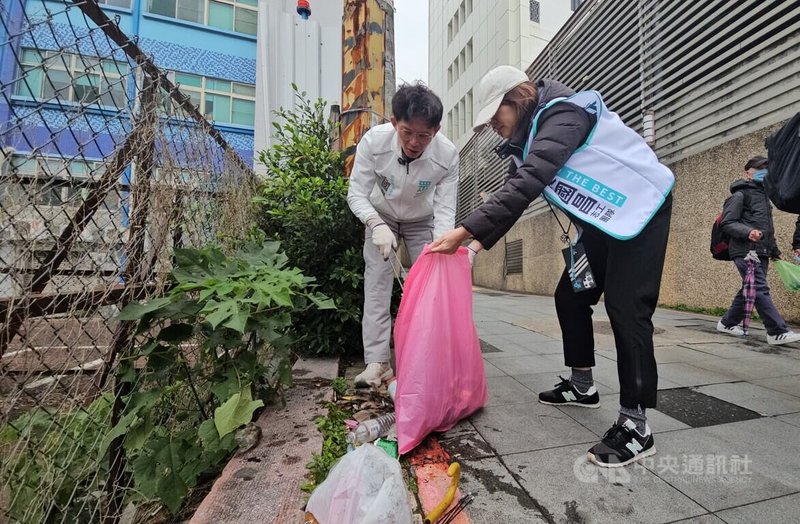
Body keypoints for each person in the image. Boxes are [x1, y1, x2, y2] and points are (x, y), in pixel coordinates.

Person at [429, 65, 674, 467]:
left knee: (628, 310)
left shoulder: (564, 115)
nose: (494, 127)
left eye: (496, 116)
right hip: (605, 219)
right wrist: (470, 249)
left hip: (640, 208)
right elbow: (515, 194)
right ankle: (583, 386)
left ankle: (636, 425)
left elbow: (529, 181)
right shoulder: (529, 142)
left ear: (518, 100)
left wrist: (462, 230)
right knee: (570, 295)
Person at [347, 83, 459, 387]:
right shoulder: (374, 142)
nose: (414, 142)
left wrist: (441, 245)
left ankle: (426, 358)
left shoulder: (446, 155)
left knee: (428, 290)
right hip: (380, 215)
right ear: (395, 122)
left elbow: (445, 208)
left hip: (422, 220)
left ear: (436, 130)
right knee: (377, 284)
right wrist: (375, 223)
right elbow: (356, 194)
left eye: (424, 135)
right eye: (407, 132)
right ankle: (377, 363)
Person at [716, 156, 800, 345]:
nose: (764, 172)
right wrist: (748, 232)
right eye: (759, 169)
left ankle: (727, 323)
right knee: (759, 288)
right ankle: (776, 331)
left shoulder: (764, 197)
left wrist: (774, 250)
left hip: (761, 250)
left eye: (767, 169)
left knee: (749, 288)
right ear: (748, 172)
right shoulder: (739, 195)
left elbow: (767, 229)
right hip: (745, 250)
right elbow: (728, 223)